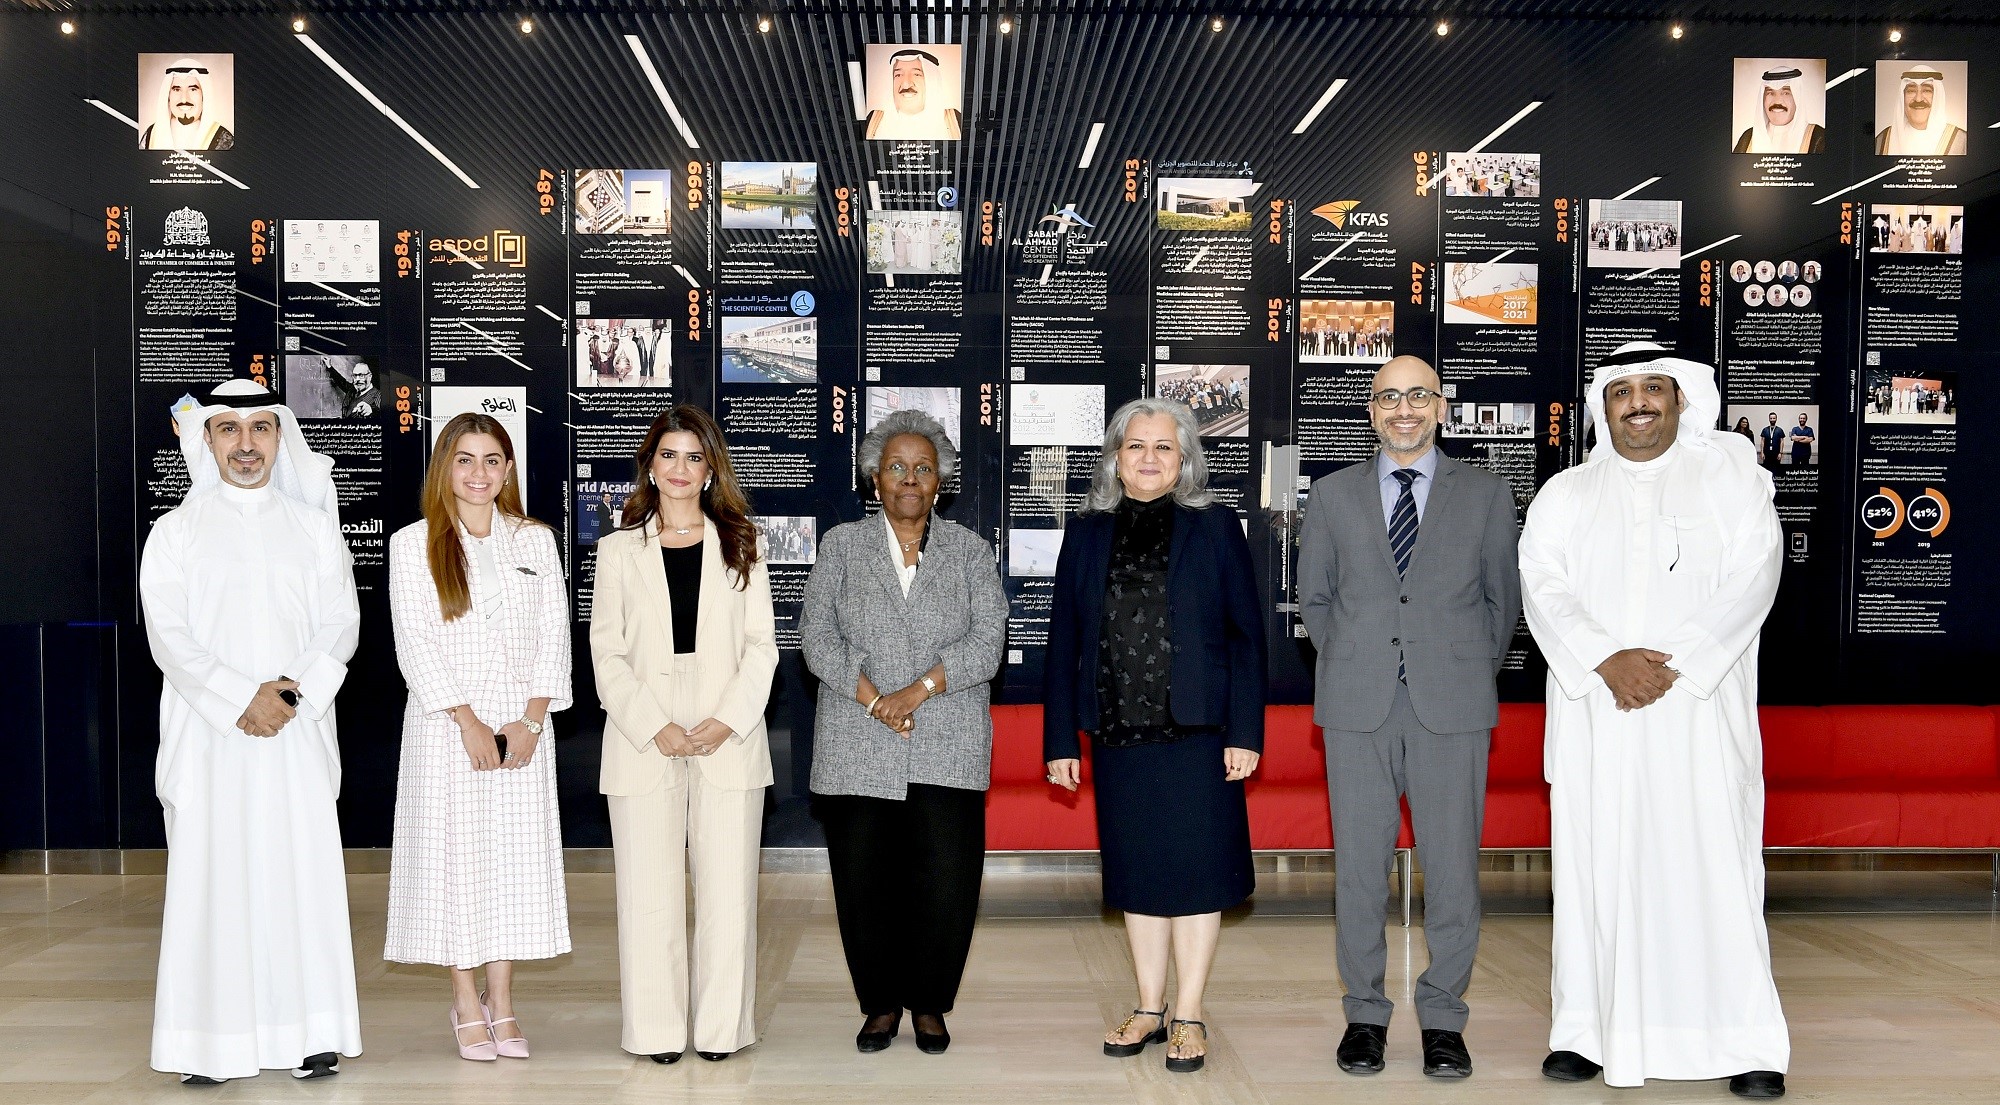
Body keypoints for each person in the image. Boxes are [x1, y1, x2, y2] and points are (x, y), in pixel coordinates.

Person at [1518, 342, 1788, 1099]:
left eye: (1653, 389)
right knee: (1595, 872)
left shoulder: (1731, 478)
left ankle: (1743, 1040)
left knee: (1715, 869)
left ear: (1680, 399)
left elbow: (1755, 576)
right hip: (1598, 717)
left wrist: (1676, 663)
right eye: (1622, 392)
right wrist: (1606, 659)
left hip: (1698, 713)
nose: (1637, 403)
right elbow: (1542, 584)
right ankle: (1586, 1032)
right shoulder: (1566, 494)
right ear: (1603, 408)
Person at [1295, 357, 1520, 1079]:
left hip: (1452, 705)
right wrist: (1358, 658)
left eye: (1418, 395)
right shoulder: (1332, 494)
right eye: (1388, 397)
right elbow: (1316, 600)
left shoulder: (1485, 493)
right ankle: (1364, 1014)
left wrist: (1456, 667)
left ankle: (1444, 1019)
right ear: (1371, 411)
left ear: (1442, 407)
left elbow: (1501, 605)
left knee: (1452, 870)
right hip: (1356, 704)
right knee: (1360, 871)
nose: (1404, 409)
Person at [140, 379, 360, 1084]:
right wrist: (241, 698)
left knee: (299, 878)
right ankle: (209, 1043)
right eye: (229, 429)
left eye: (260, 428)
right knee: (214, 883)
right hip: (211, 738)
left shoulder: (313, 529)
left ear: (279, 437)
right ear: (208, 440)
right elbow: (169, 638)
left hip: (294, 731)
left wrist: (286, 695)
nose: (245, 444)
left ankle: (310, 1034)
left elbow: (341, 623)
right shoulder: (174, 534)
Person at [1043, 397, 1266, 1075]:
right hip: (1119, 732)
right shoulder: (1086, 531)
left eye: (1163, 446)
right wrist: (1060, 740)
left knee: (1196, 876)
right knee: (1137, 875)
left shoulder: (1216, 526)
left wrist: (1246, 731)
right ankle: (1148, 1006)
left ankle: (1189, 1012)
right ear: (1116, 458)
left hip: (1199, 733)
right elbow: (1063, 642)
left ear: (1184, 458)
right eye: (1135, 446)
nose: (1148, 458)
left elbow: (1246, 637)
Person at [799, 410, 1005, 1055]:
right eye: (896, 467)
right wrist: (874, 701)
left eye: (922, 468)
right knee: (865, 884)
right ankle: (881, 1004)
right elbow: (815, 637)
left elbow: (989, 641)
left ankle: (931, 1004)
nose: (909, 479)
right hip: (856, 743)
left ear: (940, 480)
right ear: (874, 478)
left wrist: (916, 691)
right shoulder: (841, 547)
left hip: (948, 741)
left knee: (946, 883)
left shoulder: (971, 552)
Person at [590, 405, 779, 1064]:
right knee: (648, 895)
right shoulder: (618, 550)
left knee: (729, 895)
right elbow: (607, 653)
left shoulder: (743, 542)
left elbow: (762, 647)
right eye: (667, 455)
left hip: (728, 730)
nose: (679, 468)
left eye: (693, 457)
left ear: (710, 469)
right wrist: (654, 725)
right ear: (650, 465)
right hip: (644, 733)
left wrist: (727, 719)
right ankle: (656, 1031)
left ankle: (722, 1030)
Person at [385, 413, 572, 1062]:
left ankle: (504, 999)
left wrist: (532, 720)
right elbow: (415, 642)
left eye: (492, 460)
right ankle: (465, 1000)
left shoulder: (535, 540)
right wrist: (466, 721)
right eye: (464, 459)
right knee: (455, 862)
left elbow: (554, 635)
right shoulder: (413, 543)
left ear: (508, 469)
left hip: (523, 729)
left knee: (513, 865)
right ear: (445, 467)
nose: (478, 473)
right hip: (446, 728)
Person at [866, 47, 963, 140]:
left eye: (917, 74)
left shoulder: (956, 121)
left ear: (932, 80)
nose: (906, 84)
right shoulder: (872, 120)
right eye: (898, 75)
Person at [141, 58, 236, 150]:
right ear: (168, 95)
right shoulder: (151, 135)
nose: (184, 99)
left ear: (204, 95)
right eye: (177, 89)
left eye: (193, 89)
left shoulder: (223, 138)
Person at [1733, 65, 1826, 153]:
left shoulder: (1818, 137)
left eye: (1786, 93)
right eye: (1770, 93)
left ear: (1797, 98)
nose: (1777, 101)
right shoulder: (1748, 137)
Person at [1877, 67, 1967, 156]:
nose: (1918, 99)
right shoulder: (1883, 140)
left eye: (1927, 91)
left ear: (1938, 96)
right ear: (1902, 97)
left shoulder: (1960, 141)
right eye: (1911, 91)